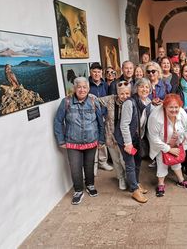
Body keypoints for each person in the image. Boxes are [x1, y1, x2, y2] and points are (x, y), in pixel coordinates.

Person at [54, 77, 105, 205]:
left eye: (85, 87)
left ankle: (90, 185)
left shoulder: (94, 101)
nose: (82, 90)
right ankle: (78, 191)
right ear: (74, 89)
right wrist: (61, 140)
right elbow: (58, 121)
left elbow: (100, 123)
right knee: (75, 167)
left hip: (91, 140)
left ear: (88, 89)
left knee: (89, 165)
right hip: (72, 142)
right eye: (79, 87)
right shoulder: (66, 102)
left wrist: (101, 139)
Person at [147, 94, 187, 197]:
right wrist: (168, 149)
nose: (174, 110)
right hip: (161, 143)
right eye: (171, 107)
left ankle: (181, 180)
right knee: (162, 162)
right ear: (165, 106)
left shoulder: (182, 113)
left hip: (176, 141)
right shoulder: (156, 117)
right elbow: (154, 138)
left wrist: (183, 147)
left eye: (176, 107)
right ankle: (161, 184)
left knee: (175, 161)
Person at [114, 78, 152, 203]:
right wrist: (128, 144)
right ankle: (134, 190)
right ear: (136, 88)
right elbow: (124, 125)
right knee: (130, 164)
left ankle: (135, 183)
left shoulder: (148, 102)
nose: (144, 89)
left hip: (137, 137)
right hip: (126, 138)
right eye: (142, 87)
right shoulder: (129, 103)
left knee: (137, 163)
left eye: (147, 87)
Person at [98, 81, 131, 190]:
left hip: (125, 138)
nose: (124, 96)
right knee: (116, 160)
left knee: (125, 160)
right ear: (117, 92)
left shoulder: (131, 102)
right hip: (111, 136)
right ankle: (120, 178)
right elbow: (96, 101)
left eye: (127, 93)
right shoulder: (110, 99)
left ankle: (130, 178)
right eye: (121, 94)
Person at [88, 62, 113, 173]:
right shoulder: (87, 84)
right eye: (94, 71)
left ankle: (103, 162)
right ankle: (94, 164)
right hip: (91, 116)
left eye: (98, 72)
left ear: (101, 72)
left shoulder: (105, 85)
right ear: (90, 72)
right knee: (93, 138)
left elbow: (108, 100)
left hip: (103, 115)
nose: (97, 74)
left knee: (102, 137)